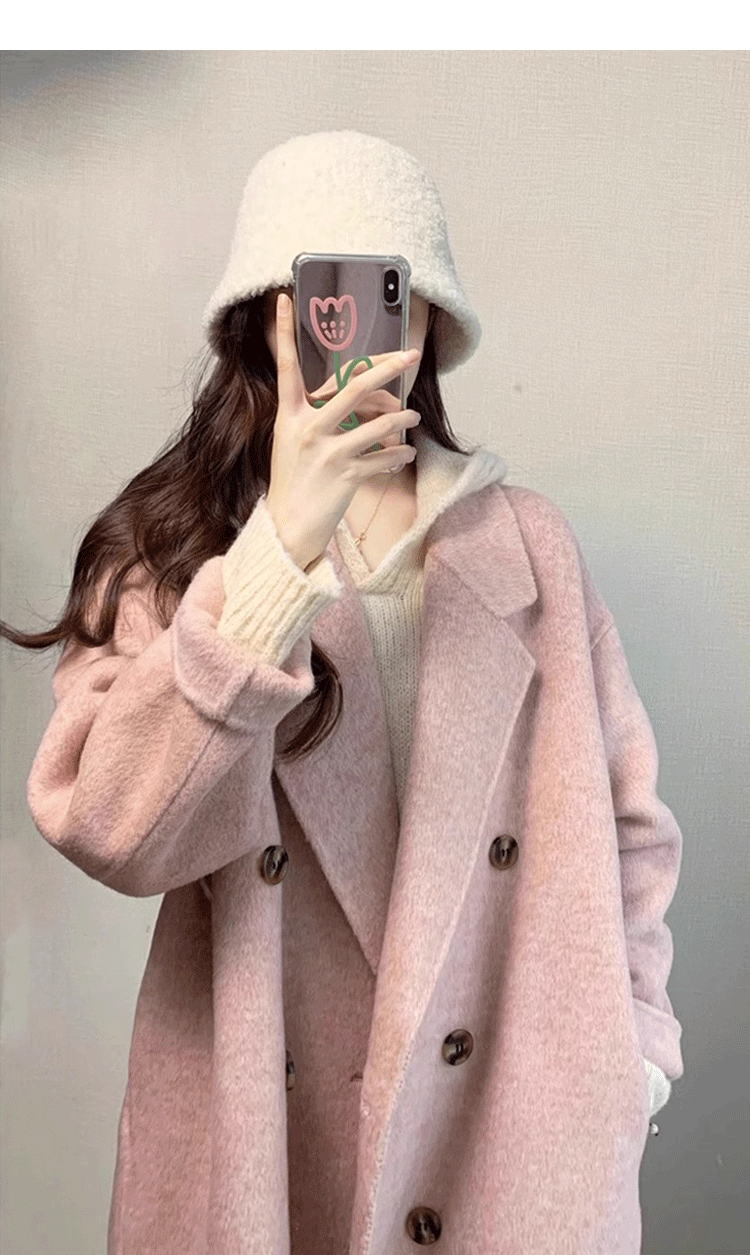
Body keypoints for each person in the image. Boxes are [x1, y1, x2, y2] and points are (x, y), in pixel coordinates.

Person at [4, 130, 684, 1254]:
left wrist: (638, 1056)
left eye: (391, 297)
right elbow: (111, 829)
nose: (359, 335)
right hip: (274, 1156)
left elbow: (632, 828)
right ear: (264, 320)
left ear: (432, 323)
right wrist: (279, 551)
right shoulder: (174, 561)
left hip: (512, 1147)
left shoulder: (531, 551)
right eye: (323, 298)